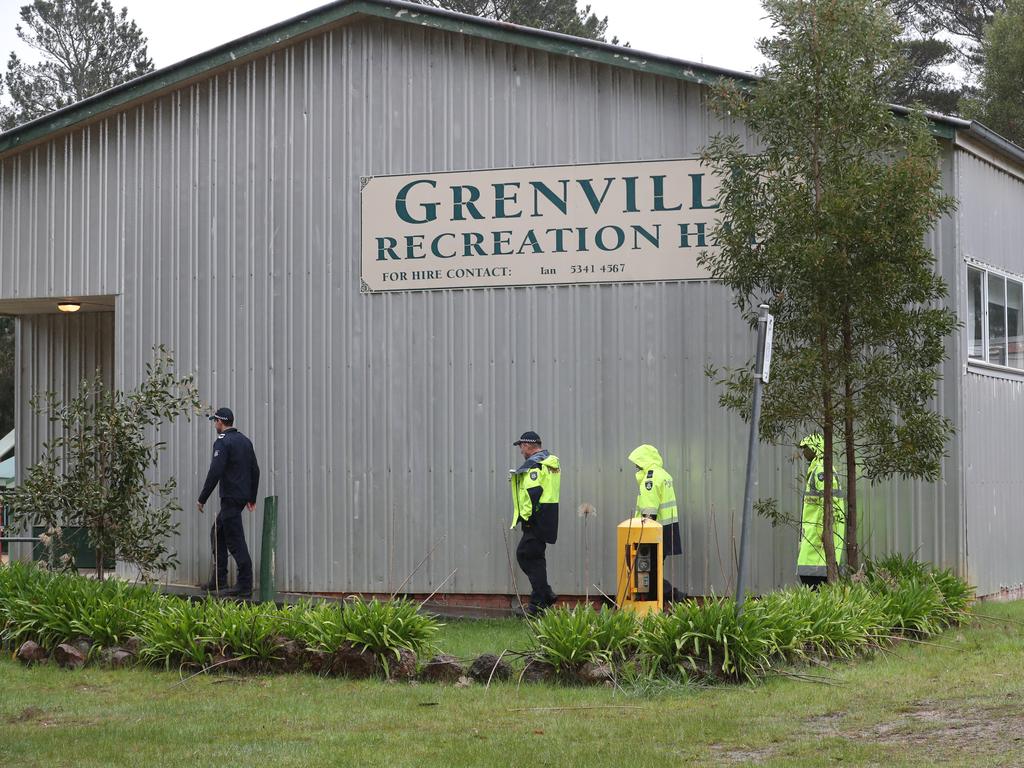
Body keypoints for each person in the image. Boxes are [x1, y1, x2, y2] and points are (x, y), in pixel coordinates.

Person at [197, 407, 260, 598]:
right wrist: (251, 497)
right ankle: (220, 579)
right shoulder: (245, 441)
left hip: (230, 497)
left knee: (235, 539)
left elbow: (215, 471)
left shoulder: (223, 442)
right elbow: (255, 470)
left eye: (215, 421)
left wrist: (202, 498)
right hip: (240, 497)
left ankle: (244, 584)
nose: (215, 424)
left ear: (220, 422)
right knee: (217, 532)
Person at [509, 431, 560, 616]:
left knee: (526, 555)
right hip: (548, 516)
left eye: (521, 446)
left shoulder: (535, 465)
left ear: (528, 445)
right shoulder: (550, 462)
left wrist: (528, 517)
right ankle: (544, 595)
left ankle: (538, 603)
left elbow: (533, 493)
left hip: (536, 518)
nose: (521, 450)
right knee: (534, 557)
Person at [628, 444, 684, 601]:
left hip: (653, 529)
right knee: (654, 567)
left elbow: (649, 508)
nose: (636, 465)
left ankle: (673, 596)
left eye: (637, 462)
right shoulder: (664, 474)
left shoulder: (650, 478)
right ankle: (656, 602)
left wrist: (643, 533)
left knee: (647, 568)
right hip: (667, 527)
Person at [797, 433, 845, 589]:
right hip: (815, 532)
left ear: (815, 449)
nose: (803, 452)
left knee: (812, 578)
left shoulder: (820, 471)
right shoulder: (819, 468)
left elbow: (828, 504)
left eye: (806, 448)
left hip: (818, 535)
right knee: (809, 575)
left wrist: (823, 533)